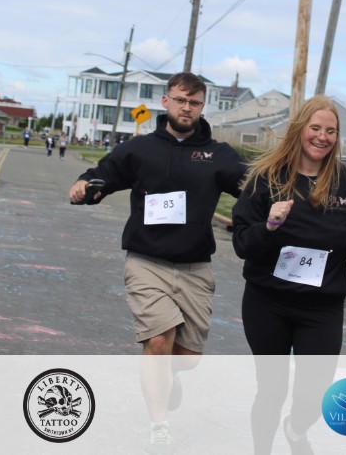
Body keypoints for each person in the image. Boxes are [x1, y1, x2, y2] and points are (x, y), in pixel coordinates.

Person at [68, 72, 245, 454]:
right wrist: (84, 186)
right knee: (159, 340)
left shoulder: (218, 155)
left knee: (187, 360)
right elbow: (101, 176)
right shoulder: (140, 149)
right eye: (180, 100)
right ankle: (159, 425)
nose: (187, 108)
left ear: (202, 106)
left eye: (194, 102)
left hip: (195, 267)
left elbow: (256, 189)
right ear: (166, 102)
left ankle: (168, 377)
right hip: (146, 262)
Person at [231, 94, 346, 455]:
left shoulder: (345, 180)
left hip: (322, 307)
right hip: (268, 303)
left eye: (331, 131)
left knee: (316, 391)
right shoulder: (267, 177)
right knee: (272, 389)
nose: (322, 137)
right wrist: (269, 225)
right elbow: (243, 243)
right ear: (299, 129)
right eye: (315, 128)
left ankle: (296, 430)